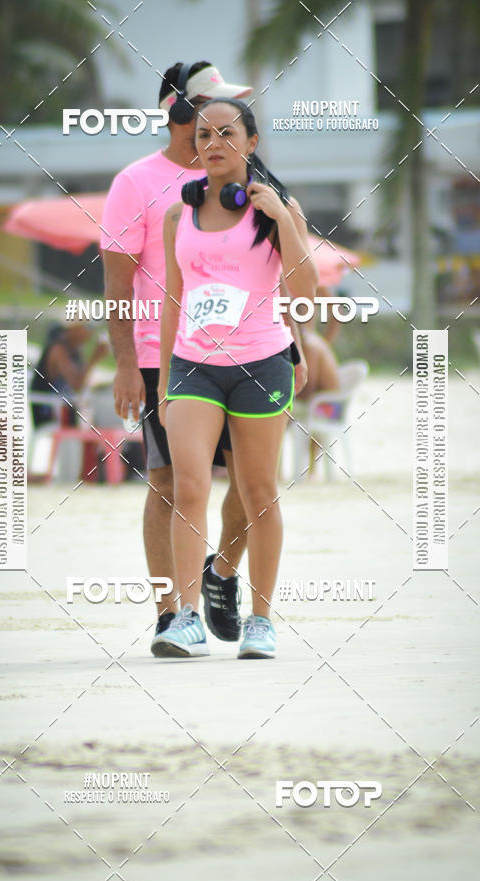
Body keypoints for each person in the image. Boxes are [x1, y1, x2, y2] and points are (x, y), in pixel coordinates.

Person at [152, 98, 316, 659]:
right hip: (194, 367)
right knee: (190, 488)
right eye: (202, 135)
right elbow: (174, 296)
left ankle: (262, 622)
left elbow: (307, 298)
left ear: (250, 143)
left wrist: (282, 220)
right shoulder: (179, 215)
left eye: (226, 133)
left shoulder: (278, 208)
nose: (213, 142)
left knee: (259, 495)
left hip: (262, 364)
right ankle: (186, 618)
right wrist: (165, 376)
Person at [101, 62, 257, 651]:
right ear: (179, 113)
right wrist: (123, 363)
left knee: (251, 483)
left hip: (246, 353)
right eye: (208, 110)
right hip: (159, 353)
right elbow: (117, 285)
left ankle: (219, 574)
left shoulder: (246, 177)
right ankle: (172, 612)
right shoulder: (134, 184)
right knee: (167, 481)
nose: (220, 125)